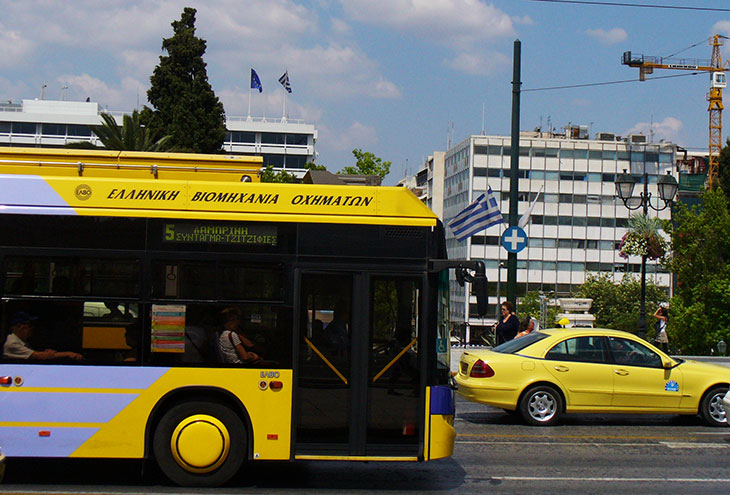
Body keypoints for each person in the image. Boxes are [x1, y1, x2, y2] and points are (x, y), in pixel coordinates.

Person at [3, 312, 83, 361]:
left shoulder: (23, 342)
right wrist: (68, 354)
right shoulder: (12, 343)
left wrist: (47, 353)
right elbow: (39, 356)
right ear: (19, 326)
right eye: (30, 326)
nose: (32, 329)